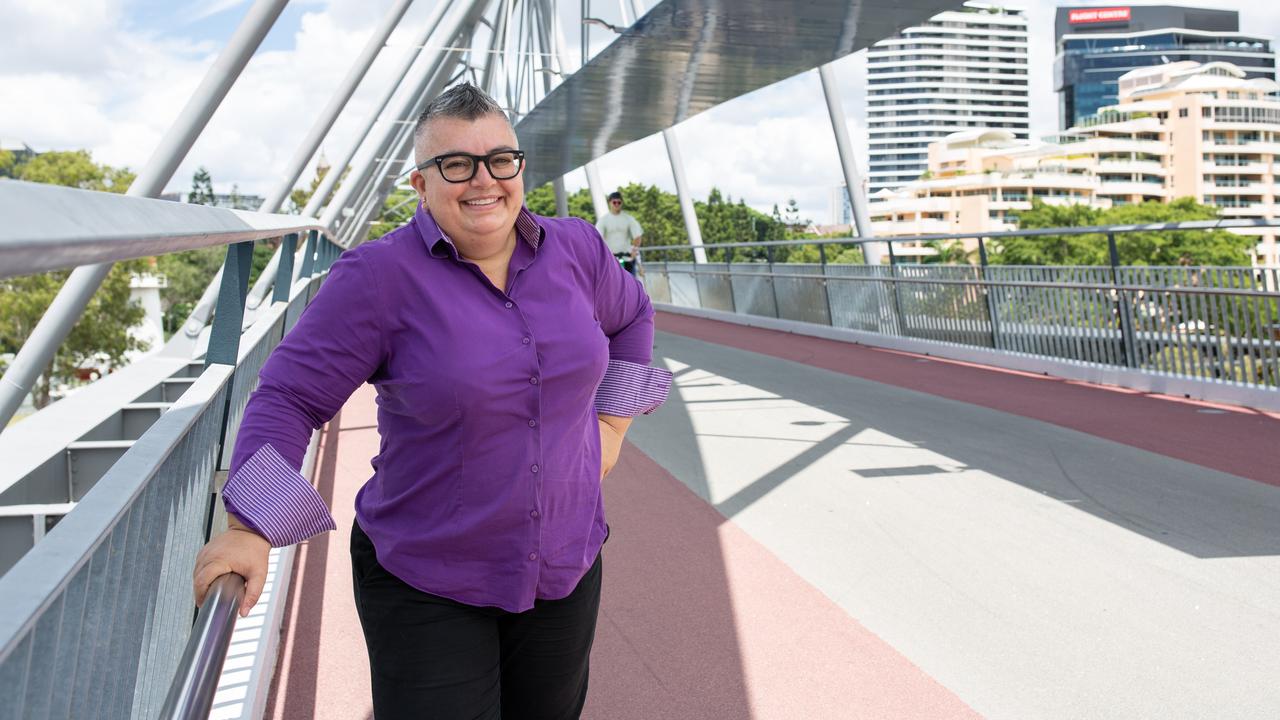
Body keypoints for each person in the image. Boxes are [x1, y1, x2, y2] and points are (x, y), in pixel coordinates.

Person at [191, 83, 672, 720]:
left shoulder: (577, 249)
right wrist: (250, 526)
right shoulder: (377, 278)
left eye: (501, 160)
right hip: (428, 577)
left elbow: (632, 314)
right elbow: (288, 396)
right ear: (420, 184)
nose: (484, 181)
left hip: (565, 562)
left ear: (519, 168)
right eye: (456, 165)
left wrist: (612, 424)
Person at [594, 190, 644, 276]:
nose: (616, 204)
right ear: (610, 203)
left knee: (630, 284)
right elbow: (597, 238)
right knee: (612, 285)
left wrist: (634, 250)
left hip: (627, 258)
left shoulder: (629, 219)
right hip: (610, 259)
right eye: (614, 202)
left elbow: (637, 236)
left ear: (622, 203)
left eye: (619, 202)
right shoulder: (603, 220)